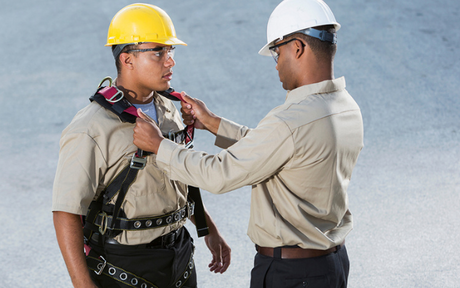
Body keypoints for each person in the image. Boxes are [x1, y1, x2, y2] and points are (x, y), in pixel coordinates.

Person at [133, 0, 363, 287]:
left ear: (298, 48)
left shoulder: (291, 120)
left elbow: (219, 174)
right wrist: (214, 123)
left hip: (291, 274)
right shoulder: (345, 107)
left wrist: (159, 146)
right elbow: (279, 151)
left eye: (276, 53)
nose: (276, 64)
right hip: (331, 265)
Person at [52, 3, 230, 288]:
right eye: (158, 51)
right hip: (122, 264)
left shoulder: (171, 111)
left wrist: (207, 228)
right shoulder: (92, 127)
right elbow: (66, 212)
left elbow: (179, 179)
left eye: (170, 51)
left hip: (180, 256)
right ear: (127, 59)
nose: (170, 61)